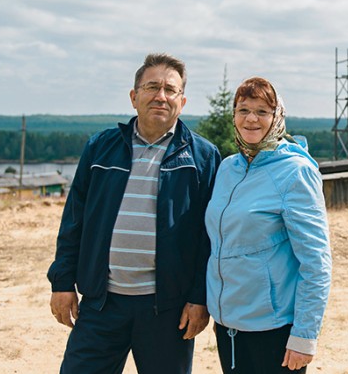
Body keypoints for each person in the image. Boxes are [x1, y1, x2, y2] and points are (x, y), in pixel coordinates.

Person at [47, 53, 222, 373]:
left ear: (182, 101)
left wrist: (200, 298)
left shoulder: (204, 157)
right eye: (152, 86)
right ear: (133, 96)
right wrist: (62, 282)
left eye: (171, 90)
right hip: (101, 304)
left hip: (168, 310)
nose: (161, 96)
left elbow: (209, 238)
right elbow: (74, 220)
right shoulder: (100, 147)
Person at [205, 76, 332, 373]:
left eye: (262, 111)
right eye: (243, 109)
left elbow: (317, 262)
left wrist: (304, 335)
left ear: (277, 117)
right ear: (234, 116)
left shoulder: (296, 173)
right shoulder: (227, 168)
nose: (251, 118)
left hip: (275, 330)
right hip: (228, 326)